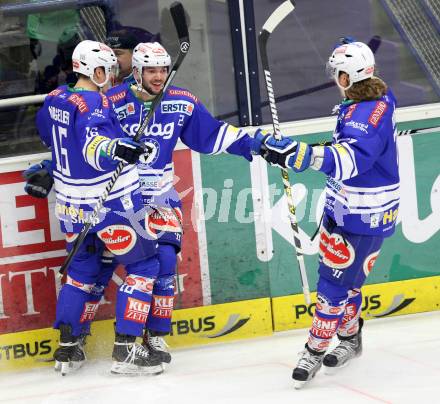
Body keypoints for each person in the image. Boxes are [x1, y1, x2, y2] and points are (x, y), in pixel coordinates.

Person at [100, 41, 266, 366]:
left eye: (163, 69)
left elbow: (213, 134)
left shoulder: (181, 102)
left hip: (161, 194)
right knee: (122, 272)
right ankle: (116, 341)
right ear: (136, 71)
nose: (159, 76)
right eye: (151, 70)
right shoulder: (112, 102)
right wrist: (49, 168)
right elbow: (84, 136)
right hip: (124, 197)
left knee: (165, 264)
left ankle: (157, 334)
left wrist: (256, 143)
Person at [258, 39, 399, 389]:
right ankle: (351, 338)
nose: (335, 79)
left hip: (364, 214)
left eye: (337, 72)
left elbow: (350, 161)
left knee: (333, 285)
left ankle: (314, 349)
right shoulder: (375, 99)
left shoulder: (365, 118)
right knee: (344, 280)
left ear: (347, 77)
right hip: (348, 206)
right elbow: (348, 151)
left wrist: (299, 154)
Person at [33, 39, 166, 376]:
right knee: (144, 267)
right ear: (93, 69)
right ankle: (126, 351)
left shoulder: (55, 98)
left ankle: (68, 349)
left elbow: (51, 137)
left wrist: (116, 143)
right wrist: (118, 149)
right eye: (106, 69)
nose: (110, 75)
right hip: (112, 204)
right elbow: (94, 144)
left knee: (80, 275)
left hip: (71, 208)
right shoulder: (94, 101)